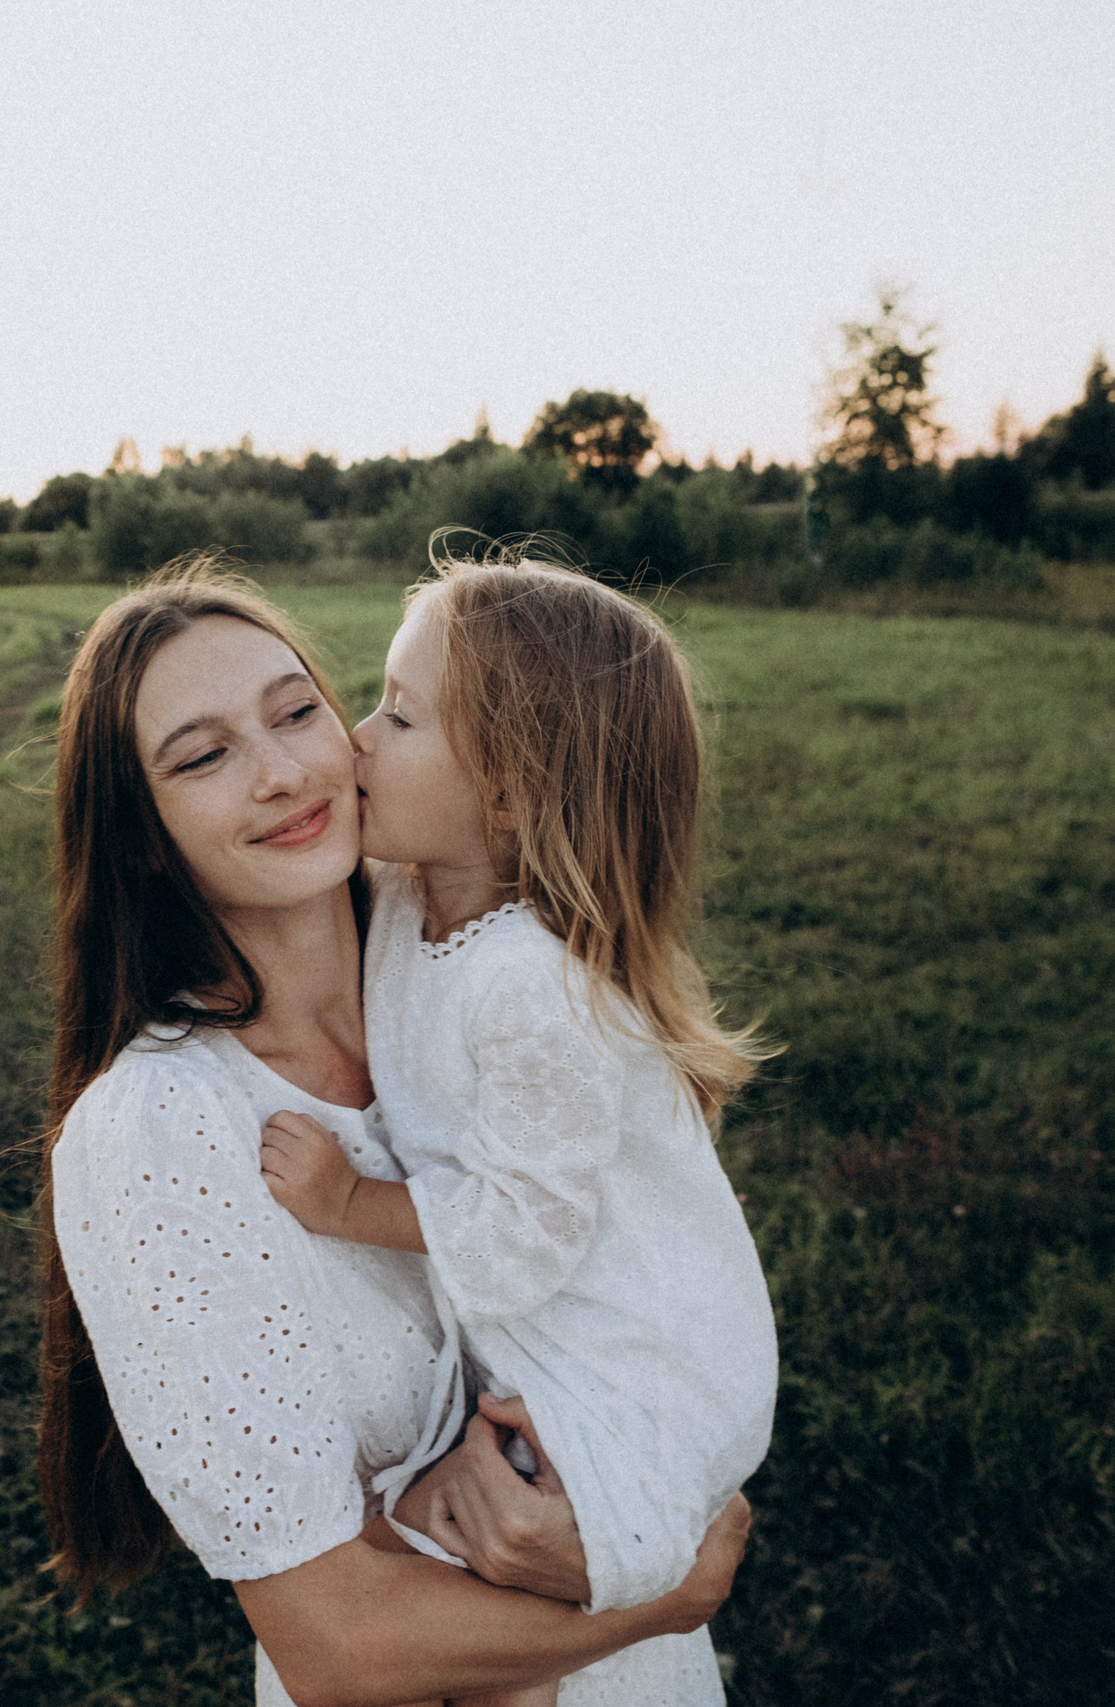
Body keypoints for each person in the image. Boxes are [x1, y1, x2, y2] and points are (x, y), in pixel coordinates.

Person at [36, 564, 750, 1707]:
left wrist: (674, 1486)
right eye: (204, 756)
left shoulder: (472, 961)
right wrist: (674, 1584)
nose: (281, 773)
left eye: (295, 710)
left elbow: (650, 1281)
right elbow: (339, 1647)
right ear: (140, 839)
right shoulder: (157, 1133)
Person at [257, 548, 778, 1705]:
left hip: (636, 1367)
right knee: (445, 1556)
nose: (353, 737)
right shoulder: (406, 898)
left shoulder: (534, 989)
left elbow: (523, 1239)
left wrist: (350, 1207)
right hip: (556, 1340)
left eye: (397, 715)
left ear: (509, 794)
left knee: (483, 1579)